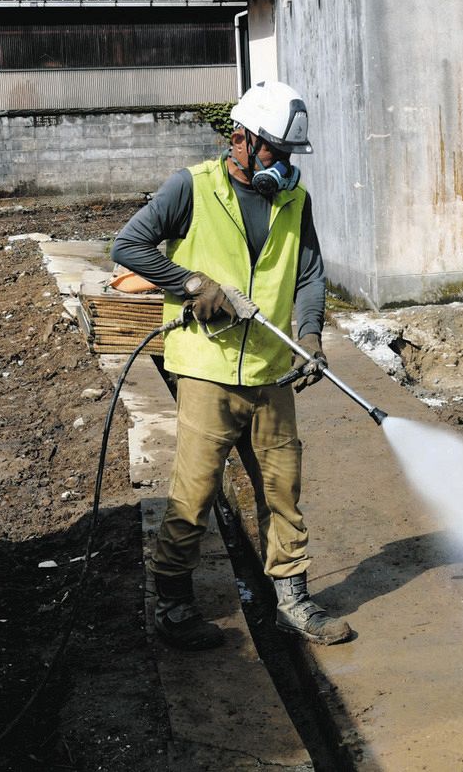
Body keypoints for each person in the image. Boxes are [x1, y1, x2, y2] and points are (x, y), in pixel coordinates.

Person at [111, 81, 352, 649]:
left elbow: (309, 276)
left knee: (282, 491)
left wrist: (311, 338)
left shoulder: (295, 200)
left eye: (290, 154)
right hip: (207, 369)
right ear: (239, 138)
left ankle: (293, 599)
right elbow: (128, 247)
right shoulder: (192, 188)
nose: (282, 164)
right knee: (194, 493)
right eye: (273, 150)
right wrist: (192, 282)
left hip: (271, 372)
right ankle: (173, 605)